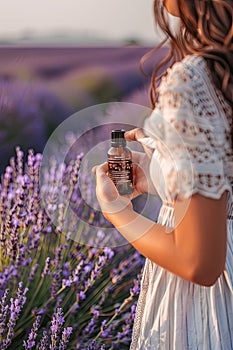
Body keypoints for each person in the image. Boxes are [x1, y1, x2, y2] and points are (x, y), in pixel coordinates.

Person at [92, 0, 233, 348]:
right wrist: (165, 177)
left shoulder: (195, 82)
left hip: (211, 309)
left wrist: (116, 211)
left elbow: (198, 262)